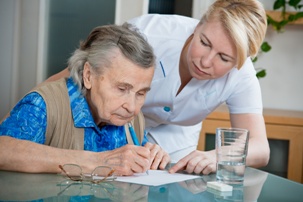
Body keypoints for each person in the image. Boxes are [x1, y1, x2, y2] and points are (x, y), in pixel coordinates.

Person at [2, 0, 270, 175]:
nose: (205, 61)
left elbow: (260, 147)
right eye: (204, 42)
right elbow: (83, 71)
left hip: (143, 129)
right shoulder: (151, 32)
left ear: (241, 61)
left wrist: (216, 156)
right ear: (197, 26)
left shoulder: (242, 76)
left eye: (224, 58)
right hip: (113, 119)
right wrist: (32, 105)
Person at [0, 23, 170, 175]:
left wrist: (152, 156)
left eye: (141, 93)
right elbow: (3, 149)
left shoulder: (132, 119)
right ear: (89, 75)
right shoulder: (44, 105)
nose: (132, 107)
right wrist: (95, 162)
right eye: (122, 89)